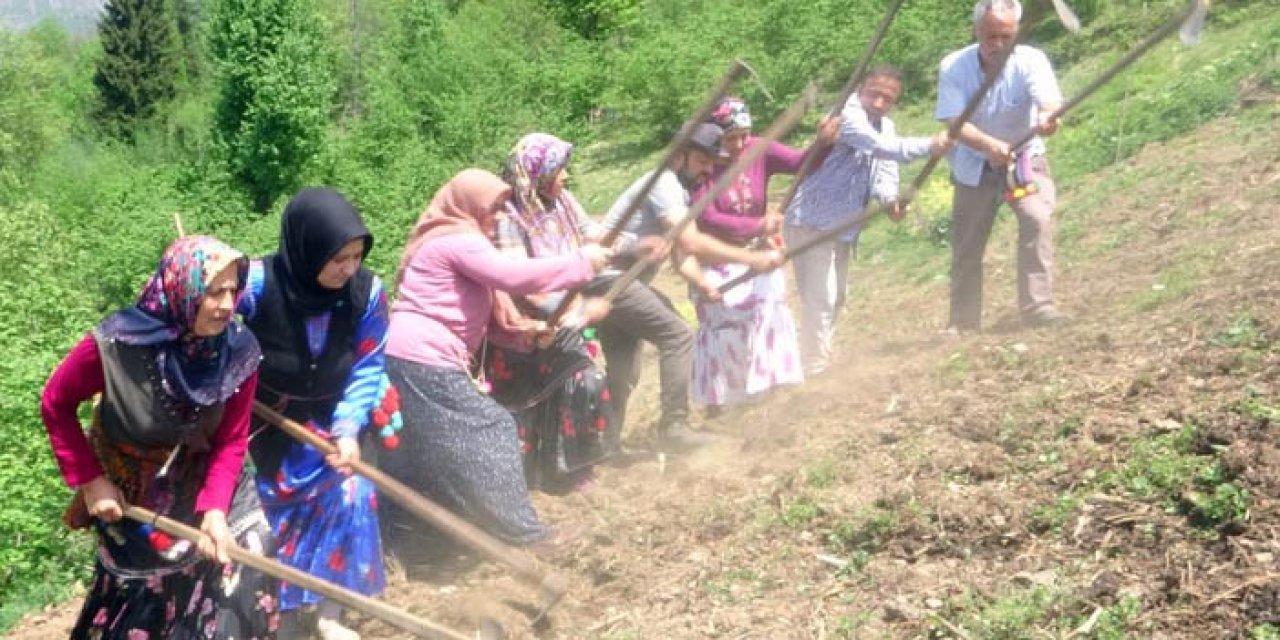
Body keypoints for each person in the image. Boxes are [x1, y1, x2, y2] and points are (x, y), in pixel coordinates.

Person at [40, 235, 279, 640]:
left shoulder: (238, 351)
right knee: (145, 605)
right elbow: (55, 403)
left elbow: (232, 440)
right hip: (136, 494)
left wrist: (215, 510)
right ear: (183, 292)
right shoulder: (114, 347)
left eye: (233, 290)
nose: (227, 304)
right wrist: (92, 481)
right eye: (213, 292)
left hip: (210, 481)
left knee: (249, 557)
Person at [378, 168, 611, 548]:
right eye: (495, 207)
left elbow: (485, 321)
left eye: (505, 207)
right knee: (495, 429)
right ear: (469, 205)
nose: (501, 216)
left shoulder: (463, 244)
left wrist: (525, 334)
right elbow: (513, 276)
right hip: (421, 357)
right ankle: (524, 534)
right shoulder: (455, 240)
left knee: (431, 451)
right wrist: (580, 263)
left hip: (417, 357)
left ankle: (425, 540)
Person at [239, 188, 386, 640]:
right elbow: (209, 316)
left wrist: (347, 429)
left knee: (352, 492)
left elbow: (368, 364)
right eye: (338, 259)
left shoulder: (366, 293)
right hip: (265, 428)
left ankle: (329, 611)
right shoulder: (258, 284)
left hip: (331, 421)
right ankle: (275, 608)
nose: (350, 268)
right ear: (308, 250)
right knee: (263, 517)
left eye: (357, 256)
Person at [589, 123, 783, 451]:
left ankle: (601, 445)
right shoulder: (663, 184)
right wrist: (752, 259)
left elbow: (682, 255)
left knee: (624, 370)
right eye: (702, 161)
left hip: (617, 284)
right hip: (611, 280)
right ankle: (674, 426)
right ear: (680, 156)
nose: (707, 170)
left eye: (711, 163)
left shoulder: (678, 193)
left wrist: (703, 284)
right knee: (678, 335)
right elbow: (691, 241)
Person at [785, 66, 952, 375]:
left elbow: (885, 170)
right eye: (874, 94)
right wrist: (928, 145)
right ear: (861, 88)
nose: (878, 103)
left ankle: (812, 357)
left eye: (887, 99)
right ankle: (814, 366)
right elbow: (878, 147)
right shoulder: (844, 116)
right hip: (810, 220)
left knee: (837, 297)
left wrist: (889, 201)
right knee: (822, 297)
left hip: (844, 225)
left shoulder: (886, 126)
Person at [685, 98, 836, 408]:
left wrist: (823, 143)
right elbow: (707, 216)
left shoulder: (759, 149)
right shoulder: (704, 163)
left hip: (756, 254)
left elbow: (801, 164)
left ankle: (773, 385)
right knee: (726, 325)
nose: (739, 144)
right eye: (731, 138)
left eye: (744, 135)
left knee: (770, 307)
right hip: (717, 259)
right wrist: (758, 224)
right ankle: (725, 400)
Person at [489, 133, 616, 492]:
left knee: (584, 380)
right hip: (526, 326)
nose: (566, 176)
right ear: (538, 174)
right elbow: (521, 283)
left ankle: (570, 467)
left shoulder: (562, 202)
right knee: (531, 401)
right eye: (559, 170)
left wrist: (629, 245)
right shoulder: (509, 218)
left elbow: (591, 233)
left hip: (566, 313)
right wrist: (576, 312)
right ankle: (529, 476)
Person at [937, 0, 1064, 334]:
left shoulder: (1031, 60)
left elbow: (1049, 102)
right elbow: (953, 122)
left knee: (1037, 218)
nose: (997, 45)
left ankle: (1038, 307)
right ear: (977, 30)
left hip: (1023, 160)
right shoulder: (954, 66)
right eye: (990, 36)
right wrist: (988, 145)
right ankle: (963, 322)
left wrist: (1048, 118)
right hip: (973, 165)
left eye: (1006, 37)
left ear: (1016, 32)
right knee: (968, 242)